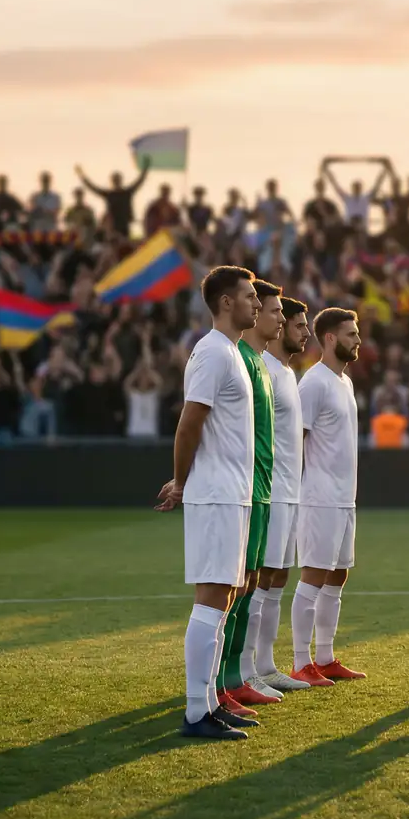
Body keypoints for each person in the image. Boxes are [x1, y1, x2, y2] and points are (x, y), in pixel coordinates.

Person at [155, 265, 262, 740]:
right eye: (249, 297)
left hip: (232, 494)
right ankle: (196, 712)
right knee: (212, 599)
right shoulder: (212, 351)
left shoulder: (232, 352)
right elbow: (189, 423)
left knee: (225, 598)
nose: (256, 304)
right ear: (225, 302)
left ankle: (211, 703)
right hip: (216, 494)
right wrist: (181, 482)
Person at [217, 279, 288, 714]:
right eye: (270, 308)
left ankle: (235, 678)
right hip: (241, 489)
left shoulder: (261, 363)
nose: (273, 314)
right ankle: (220, 683)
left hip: (262, 489)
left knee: (249, 585)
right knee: (233, 589)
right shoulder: (238, 359)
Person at [288, 308, 366, 687]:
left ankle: (325, 657)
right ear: (331, 338)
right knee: (313, 576)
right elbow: (295, 441)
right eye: (351, 334)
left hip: (344, 498)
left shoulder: (344, 382)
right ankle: (300, 662)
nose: (358, 340)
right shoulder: (313, 382)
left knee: (338, 575)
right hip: (319, 498)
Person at [246, 297, 315, 696]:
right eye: (299, 325)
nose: (306, 332)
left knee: (277, 578)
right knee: (259, 579)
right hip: (269, 491)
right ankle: (246, 669)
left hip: (290, 491)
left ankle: (267, 666)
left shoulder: (288, 372)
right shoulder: (264, 370)